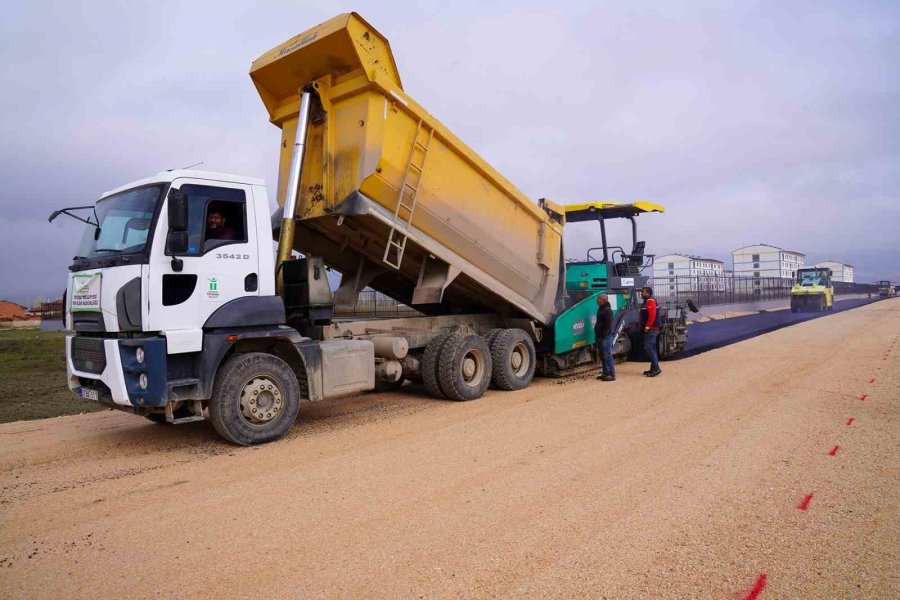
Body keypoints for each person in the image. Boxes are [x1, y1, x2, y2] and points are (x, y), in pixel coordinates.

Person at [640, 286, 661, 377]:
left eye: (643, 292)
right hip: (652, 328)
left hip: (651, 329)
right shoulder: (648, 301)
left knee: (649, 347)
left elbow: (652, 315)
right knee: (652, 348)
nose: (641, 293)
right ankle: (653, 368)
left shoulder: (650, 301)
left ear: (648, 293)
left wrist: (647, 326)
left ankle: (656, 369)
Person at [594, 294, 616, 381]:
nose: (597, 301)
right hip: (600, 335)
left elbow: (608, 325)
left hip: (605, 336)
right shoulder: (601, 309)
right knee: (603, 355)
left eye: (598, 299)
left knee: (607, 355)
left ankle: (611, 374)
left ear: (604, 300)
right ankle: (605, 372)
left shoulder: (607, 310)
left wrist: (603, 335)